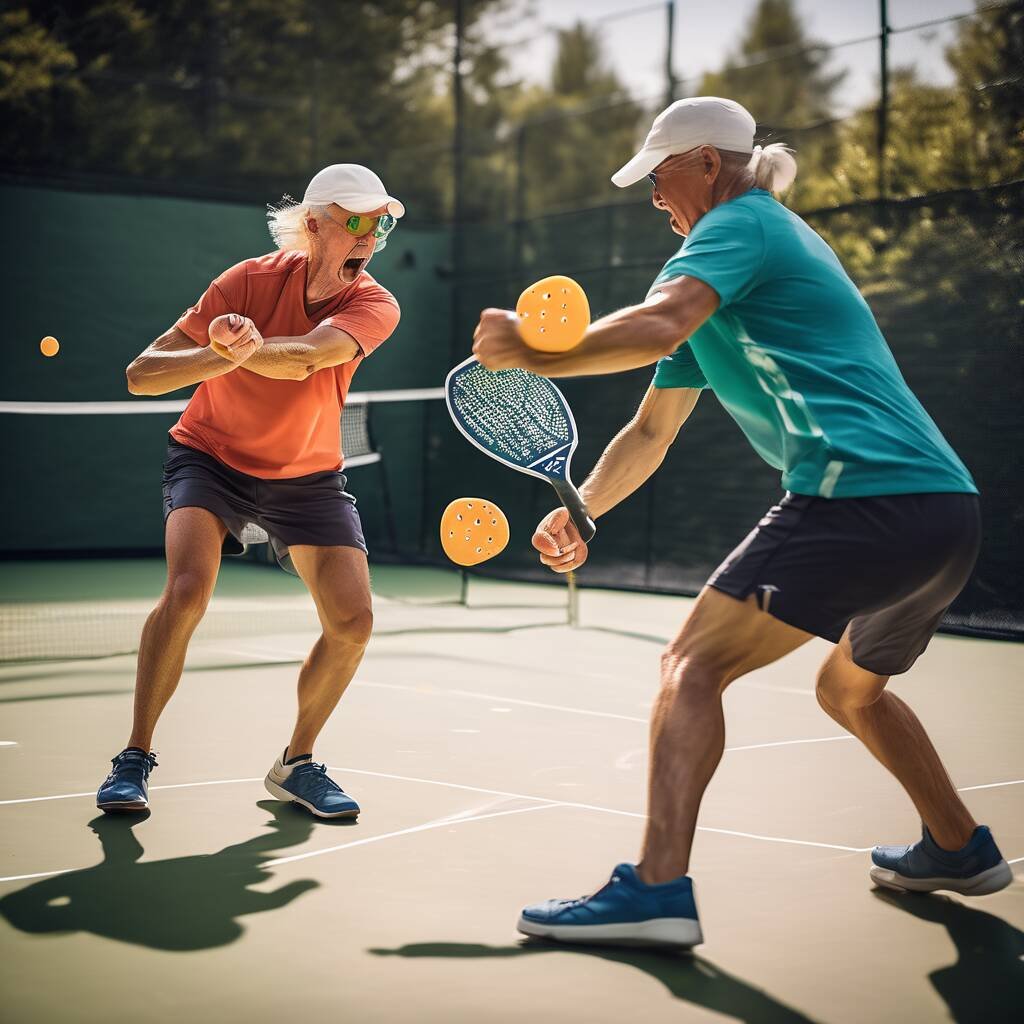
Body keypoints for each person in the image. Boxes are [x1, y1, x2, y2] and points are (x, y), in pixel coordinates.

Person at [472, 98, 1012, 948]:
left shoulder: (739, 226)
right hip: (943, 512)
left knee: (690, 666)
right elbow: (651, 430)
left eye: (660, 176)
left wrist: (537, 353)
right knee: (849, 686)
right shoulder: (747, 260)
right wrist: (578, 510)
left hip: (857, 493)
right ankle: (957, 846)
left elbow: (654, 326)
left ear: (705, 163)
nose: (656, 198)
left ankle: (654, 890)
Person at [95, 164, 404, 820]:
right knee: (186, 592)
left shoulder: (375, 304)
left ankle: (296, 763)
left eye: (380, 221)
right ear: (313, 224)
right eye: (354, 220)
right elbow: (141, 375)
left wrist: (241, 349)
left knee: (354, 622)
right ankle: (135, 756)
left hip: (310, 478)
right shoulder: (246, 279)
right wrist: (215, 354)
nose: (370, 234)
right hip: (209, 461)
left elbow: (304, 360)